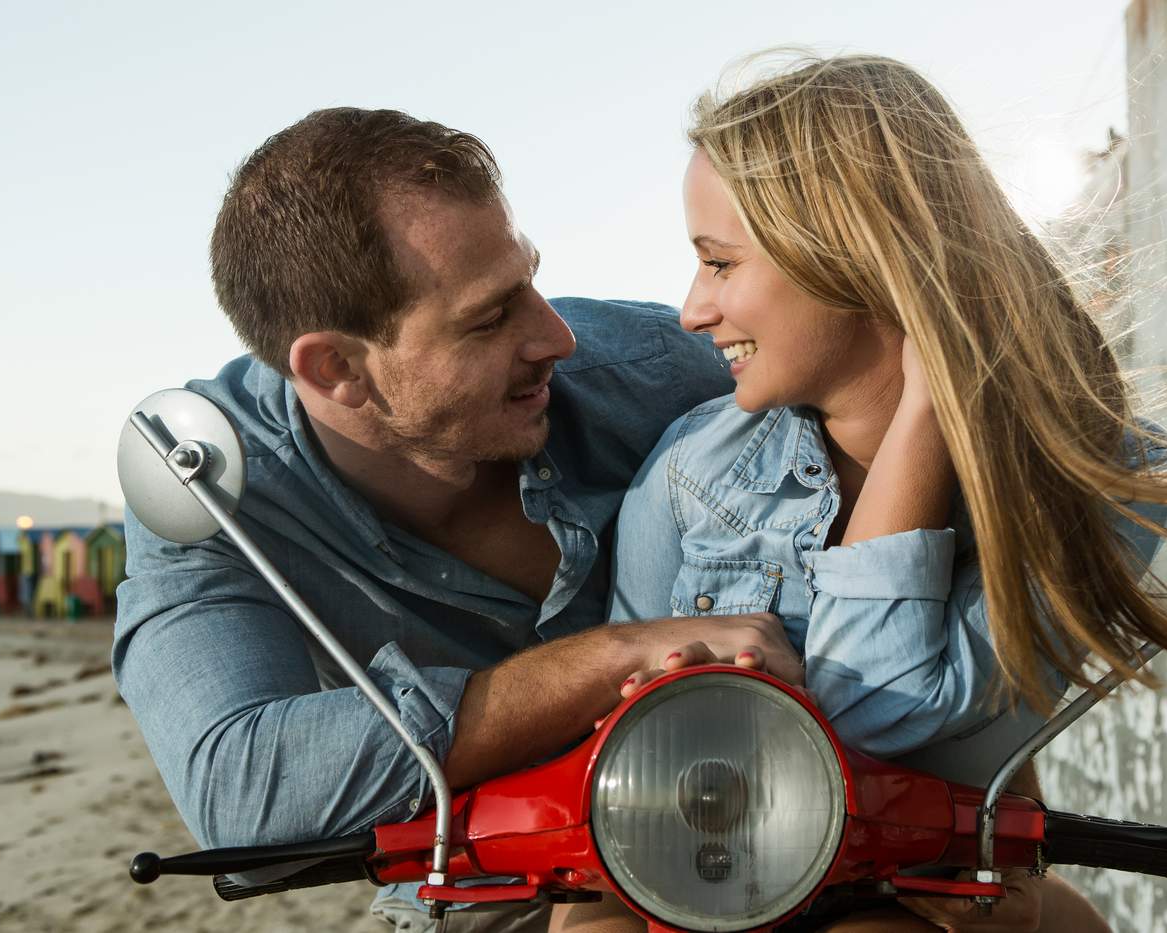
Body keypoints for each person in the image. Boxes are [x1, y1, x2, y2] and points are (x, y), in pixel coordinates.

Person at [551, 53, 1167, 932]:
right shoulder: (692, 470)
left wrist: (929, 407)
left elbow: (873, 709)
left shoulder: (1092, 479)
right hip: (688, 876)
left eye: (720, 264)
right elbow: (615, 762)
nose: (693, 311)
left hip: (902, 897)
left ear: (853, 257)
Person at [113, 107, 809, 933]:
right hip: (491, 869)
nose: (556, 336)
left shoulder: (660, 367)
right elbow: (242, 793)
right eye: (490, 318)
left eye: (529, 281)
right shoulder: (207, 488)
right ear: (336, 368)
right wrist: (618, 653)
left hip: (762, 816)